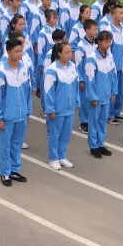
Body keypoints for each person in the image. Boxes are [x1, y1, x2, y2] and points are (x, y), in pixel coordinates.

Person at [0, 37, 31, 186]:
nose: (19, 54)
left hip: (21, 115)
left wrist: (28, 112)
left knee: (16, 144)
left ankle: (15, 169)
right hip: (7, 117)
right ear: (8, 52)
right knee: (5, 145)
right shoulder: (1, 72)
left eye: (21, 51)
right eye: (16, 51)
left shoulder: (24, 69)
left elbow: (28, 92)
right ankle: (5, 172)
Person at [42, 40, 79, 170]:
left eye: (71, 51)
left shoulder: (72, 66)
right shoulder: (52, 70)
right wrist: (50, 109)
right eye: (67, 52)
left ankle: (62, 156)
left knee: (66, 134)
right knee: (55, 134)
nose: (70, 54)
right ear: (59, 54)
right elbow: (48, 91)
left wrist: (76, 102)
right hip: (57, 109)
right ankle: (53, 158)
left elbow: (75, 85)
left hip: (69, 108)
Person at [83, 30, 117, 158]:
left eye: (110, 41)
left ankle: (101, 144)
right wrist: (93, 97)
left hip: (106, 95)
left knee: (103, 121)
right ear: (99, 42)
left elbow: (113, 74)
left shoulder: (110, 56)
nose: (108, 44)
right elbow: (90, 79)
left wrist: (114, 91)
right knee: (94, 122)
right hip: (96, 97)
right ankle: (93, 146)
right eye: (106, 41)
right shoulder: (92, 59)